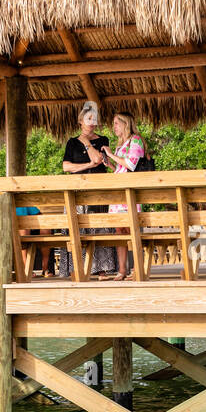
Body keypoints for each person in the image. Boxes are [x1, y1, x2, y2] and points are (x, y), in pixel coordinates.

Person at [59, 102, 118, 279]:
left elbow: (98, 159)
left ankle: (101, 269)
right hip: (76, 191)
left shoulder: (102, 140)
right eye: (88, 119)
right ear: (80, 121)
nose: (92, 122)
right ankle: (76, 267)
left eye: (94, 119)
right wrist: (87, 165)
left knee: (97, 227)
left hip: (98, 190)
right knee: (76, 227)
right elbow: (66, 166)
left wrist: (86, 143)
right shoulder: (71, 142)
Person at [97, 111, 146, 279]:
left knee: (132, 229)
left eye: (117, 123)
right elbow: (121, 168)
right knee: (120, 231)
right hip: (119, 194)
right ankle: (122, 269)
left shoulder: (136, 140)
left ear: (126, 124)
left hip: (130, 193)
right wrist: (110, 164)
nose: (114, 127)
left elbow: (131, 165)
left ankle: (137, 268)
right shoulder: (121, 145)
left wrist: (111, 154)